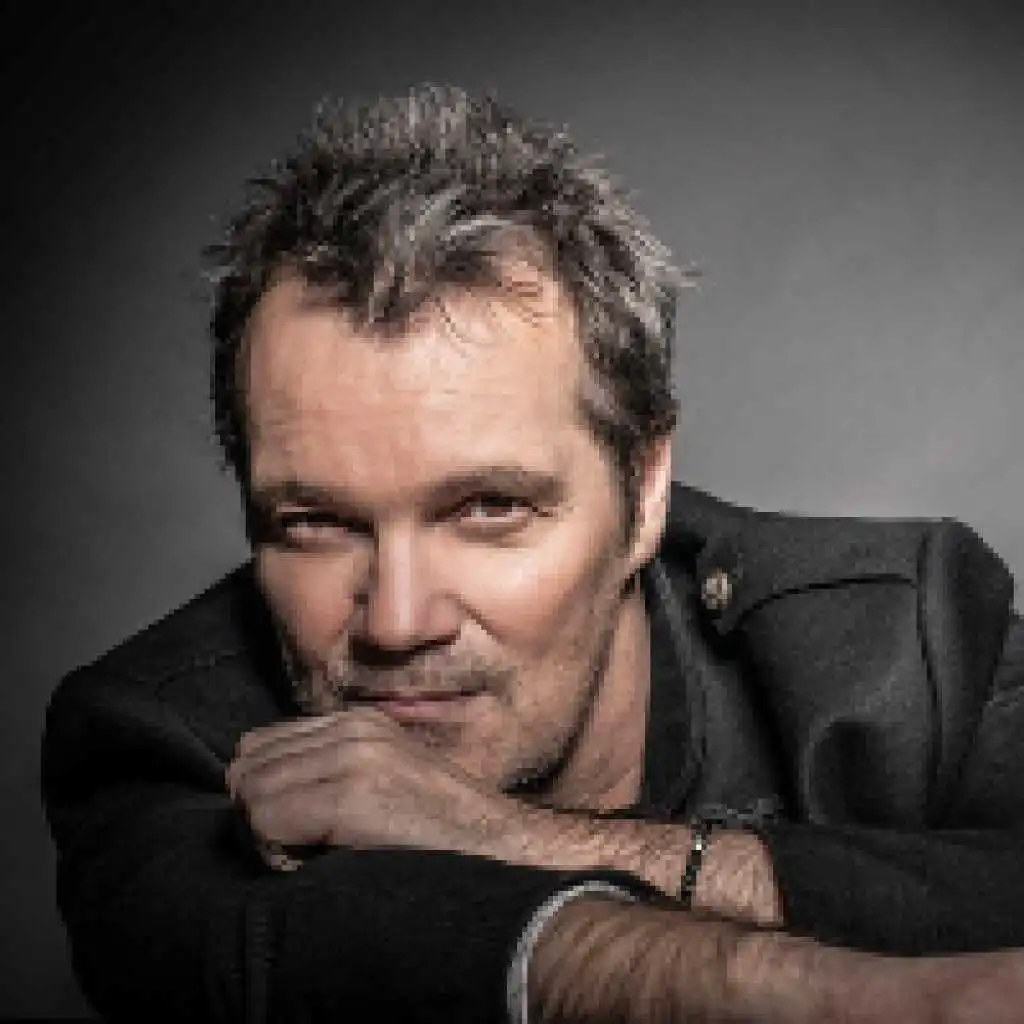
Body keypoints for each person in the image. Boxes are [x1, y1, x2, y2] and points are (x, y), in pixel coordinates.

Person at [42, 84, 1024, 1023]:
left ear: (644, 491)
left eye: (488, 508)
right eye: (315, 523)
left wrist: (502, 836)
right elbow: (273, 959)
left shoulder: (909, 641)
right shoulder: (157, 732)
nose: (398, 622)